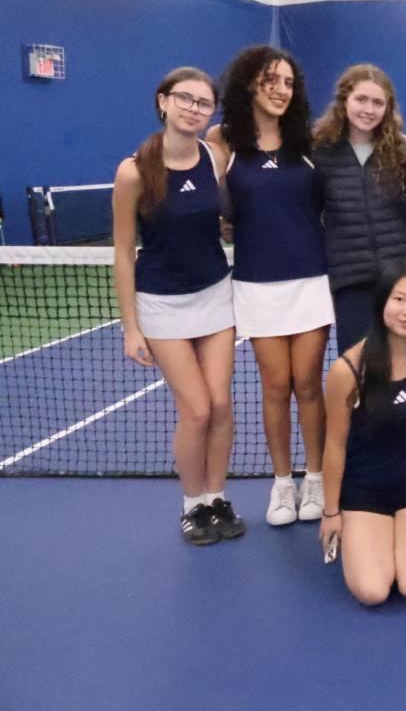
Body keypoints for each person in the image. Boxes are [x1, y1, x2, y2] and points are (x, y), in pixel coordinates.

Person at [112, 67, 241, 545]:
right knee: (197, 410)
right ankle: (192, 506)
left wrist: (229, 226)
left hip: (215, 295)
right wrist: (131, 327)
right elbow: (124, 251)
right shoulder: (134, 171)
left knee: (223, 404)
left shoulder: (215, 157)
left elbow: (224, 214)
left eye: (204, 103)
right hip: (161, 305)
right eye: (184, 99)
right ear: (163, 102)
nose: (193, 108)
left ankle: (216, 499)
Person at [209, 45, 332, 526]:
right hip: (257, 284)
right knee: (275, 386)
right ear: (248, 85)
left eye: (287, 82)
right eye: (270, 81)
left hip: (310, 279)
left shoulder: (310, 141)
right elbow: (201, 190)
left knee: (309, 385)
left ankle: (316, 478)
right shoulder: (224, 141)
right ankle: (283, 485)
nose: (281, 90)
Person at [319, 260, 406, 605]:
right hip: (365, 490)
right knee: (372, 592)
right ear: (382, 302)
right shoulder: (347, 369)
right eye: (400, 299)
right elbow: (334, 445)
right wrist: (331, 512)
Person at [312, 64, 406, 354]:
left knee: (403, 363)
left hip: (400, 277)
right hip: (350, 281)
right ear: (344, 100)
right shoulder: (320, 153)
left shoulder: (400, 152)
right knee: (357, 367)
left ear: (388, 108)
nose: (369, 109)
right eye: (361, 99)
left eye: (378, 103)